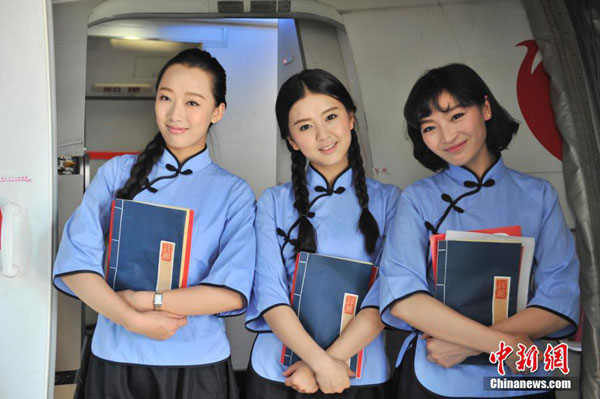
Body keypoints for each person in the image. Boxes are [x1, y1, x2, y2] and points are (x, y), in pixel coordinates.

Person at [52, 48, 256, 399]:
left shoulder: (233, 192)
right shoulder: (117, 172)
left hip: (197, 363)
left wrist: (145, 300)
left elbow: (230, 291)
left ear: (217, 112)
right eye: (165, 98)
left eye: (193, 102)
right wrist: (132, 319)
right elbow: (75, 265)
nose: (176, 114)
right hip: (115, 358)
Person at [379, 63, 580, 398]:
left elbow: (560, 296)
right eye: (430, 127)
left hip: (520, 379)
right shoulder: (416, 199)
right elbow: (404, 298)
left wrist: (467, 345)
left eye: (456, 116)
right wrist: (500, 344)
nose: (447, 137)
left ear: (485, 108)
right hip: (438, 375)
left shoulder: (539, 195)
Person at [245, 69, 400, 398]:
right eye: (305, 126)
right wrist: (322, 364)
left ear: (351, 119)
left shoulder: (390, 201)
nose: (323, 134)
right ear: (292, 141)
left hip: (361, 374)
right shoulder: (273, 201)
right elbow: (269, 293)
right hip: (280, 373)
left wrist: (328, 363)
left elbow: (386, 294)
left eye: (331, 117)